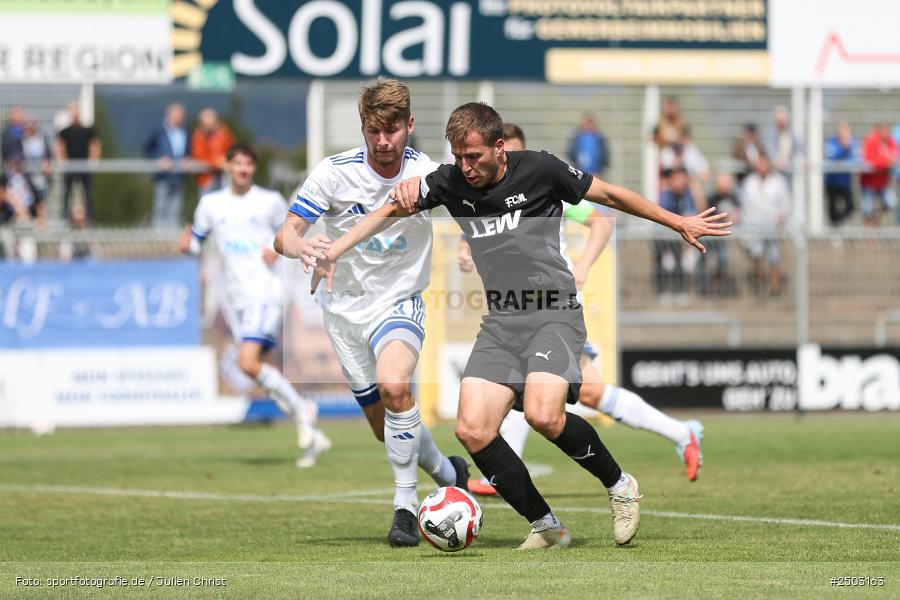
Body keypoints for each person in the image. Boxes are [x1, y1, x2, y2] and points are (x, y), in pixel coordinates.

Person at [311, 102, 731, 549]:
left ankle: (620, 485)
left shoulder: (541, 169)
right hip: (502, 320)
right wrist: (335, 250)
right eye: (457, 157)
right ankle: (546, 526)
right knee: (471, 428)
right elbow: (390, 209)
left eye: (473, 156)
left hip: (555, 311)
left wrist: (678, 221)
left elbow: (609, 197)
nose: (465, 167)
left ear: (499, 147)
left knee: (543, 414)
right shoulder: (449, 181)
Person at [273, 78, 469, 547]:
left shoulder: (428, 173)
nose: (383, 142)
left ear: (409, 125)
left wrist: (469, 241)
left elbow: (473, 212)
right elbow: (284, 235)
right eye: (373, 130)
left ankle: (405, 510)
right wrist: (303, 246)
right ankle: (447, 469)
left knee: (396, 384)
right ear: (362, 127)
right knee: (386, 428)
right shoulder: (333, 173)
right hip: (343, 314)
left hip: (400, 302)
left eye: (393, 130)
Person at [460, 124, 703, 494]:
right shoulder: (484, 196)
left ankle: (674, 437)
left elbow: (601, 219)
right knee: (589, 392)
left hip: (553, 306)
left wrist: (584, 265)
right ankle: (680, 432)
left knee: (552, 390)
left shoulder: (540, 182)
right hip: (518, 312)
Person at [179, 142, 328, 467]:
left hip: (265, 290)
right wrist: (186, 245)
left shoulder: (270, 202)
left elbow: (289, 233)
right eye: (238, 163)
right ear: (228, 166)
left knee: (247, 363)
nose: (243, 168)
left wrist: (279, 248)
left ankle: (303, 410)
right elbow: (196, 243)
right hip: (234, 299)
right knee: (259, 369)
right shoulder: (210, 204)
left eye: (249, 163)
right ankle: (309, 427)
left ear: (254, 168)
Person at [740, 154, 790, 296]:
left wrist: (782, 217)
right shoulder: (749, 182)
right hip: (754, 225)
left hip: (772, 225)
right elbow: (745, 205)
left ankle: (774, 288)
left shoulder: (779, 182)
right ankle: (758, 281)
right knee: (757, 254)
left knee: (774, 257)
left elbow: (785, 203)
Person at [146, 103, 189, 230]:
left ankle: (171, 236)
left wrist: (187, 159)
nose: (180, 117)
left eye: (182, 115)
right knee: (160, 207)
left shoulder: (185, 131)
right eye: (177, 114)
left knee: (175, 208)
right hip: (162, 175)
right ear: (169, 114)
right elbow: (148, 149)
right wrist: (158, 160)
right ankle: (158, 236)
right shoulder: (158, 131)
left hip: (178, 176)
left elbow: (187, 151)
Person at [57, 102, 101, 222]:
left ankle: (91, 221)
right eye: (73, 111)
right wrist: (63, 161)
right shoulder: (64, 131)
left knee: (89, 194)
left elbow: (95, 144)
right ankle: (64, 220)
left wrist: (93, 160)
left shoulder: (88, 130)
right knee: (66, 194)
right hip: (70, 167)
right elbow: (60, 146)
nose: (75, 114)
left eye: (77, 111)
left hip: (84, 167)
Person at [860, 123, 898, 227]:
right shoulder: (871, 140)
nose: (886, 133)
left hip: (883, 183)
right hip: (869, 183)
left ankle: (875, 216)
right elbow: (869, 160)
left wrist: (888, 161)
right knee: (867, 210)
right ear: (879, 130)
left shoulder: (890, 142)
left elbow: (894, 157)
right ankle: (868, 237)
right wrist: (886, 161)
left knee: (891, 203)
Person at [191, 108, 235, 195]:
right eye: (206, 124)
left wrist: (225, 159)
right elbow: (199, 156)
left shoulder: (224, 133)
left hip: (224, 176)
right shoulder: (198, 136)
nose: (209, 127)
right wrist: (217, 162)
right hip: (206, 178)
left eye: (211, 124)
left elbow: (232, 150)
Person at [824, 122, 860, 226]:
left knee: (851, 207)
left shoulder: (852, 142)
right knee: (832, 208)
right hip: (832, 181)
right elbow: (831, 157)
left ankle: (837, 223)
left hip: (845, 181)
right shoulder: (832, 142)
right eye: (842, 130)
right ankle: (834, 226)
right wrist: (843, 148)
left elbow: (856, 158)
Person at [21, 119, 54, 209]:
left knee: (42, 201)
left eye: (31, 127)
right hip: (28, 176)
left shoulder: (42, 139)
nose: (29, 130)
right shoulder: (22, 140)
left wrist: (48, 165)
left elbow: (48, 155)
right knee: (29, 201)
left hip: (42, 176)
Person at [568, 113, 609, 179]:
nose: (589, 125)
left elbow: (605, 155)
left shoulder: (599, 138)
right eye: (587, 122)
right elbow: (571, 153)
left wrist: (600, 171)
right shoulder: (577, 137)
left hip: (596, 173)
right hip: (580, 173)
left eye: (591, 122)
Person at [766, 106, 803, 174]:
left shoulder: (791, 133)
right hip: (773, 170)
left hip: (788, 169)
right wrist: (776, 160)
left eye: (783, 120)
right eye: (779, 120)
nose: (781, 122)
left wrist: (802, 160)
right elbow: (770, 149)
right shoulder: (771, 133)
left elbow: (798, 149)